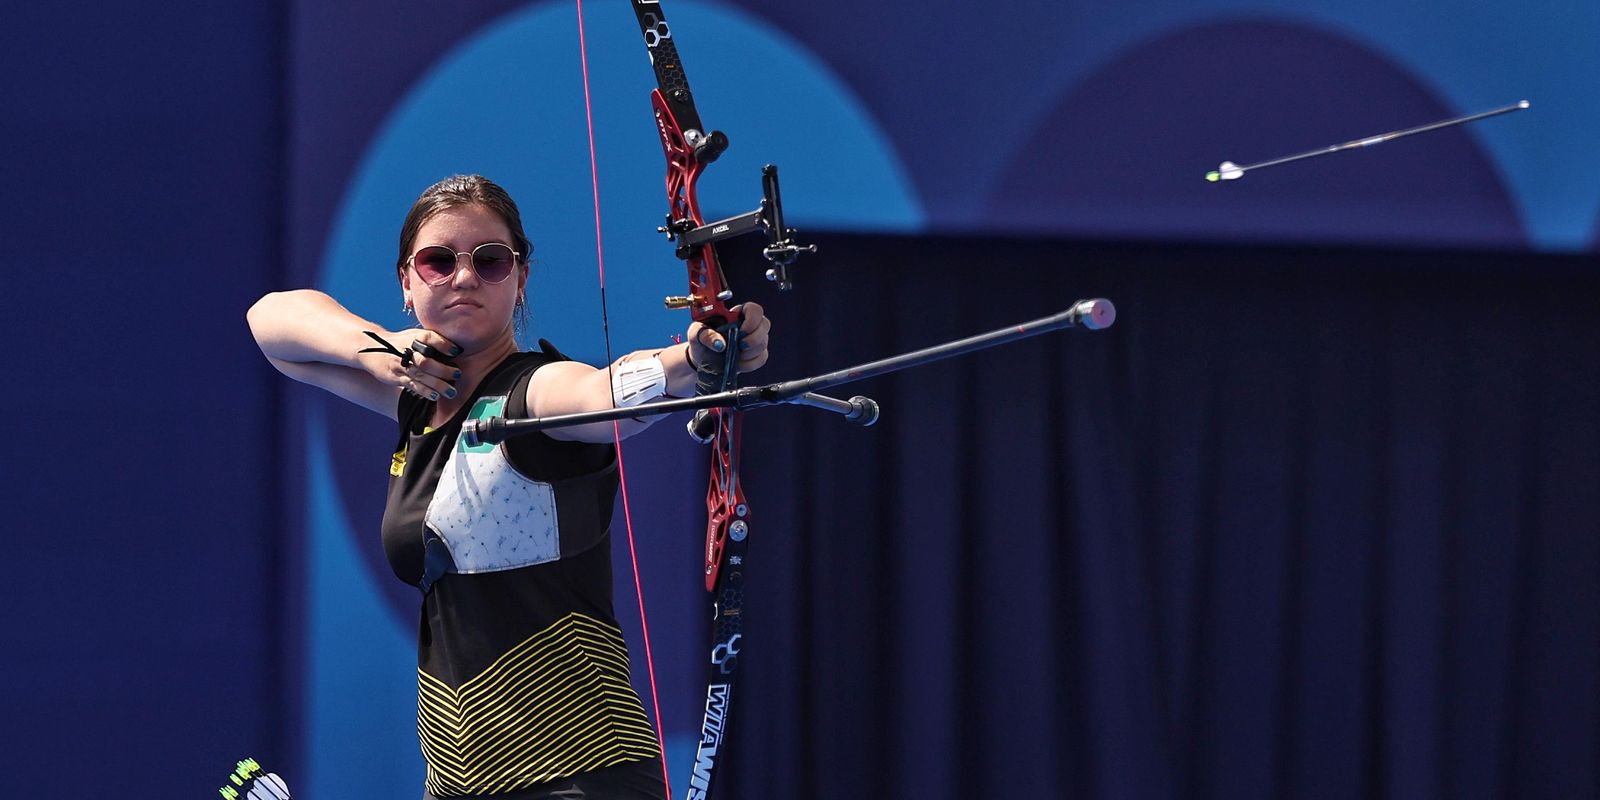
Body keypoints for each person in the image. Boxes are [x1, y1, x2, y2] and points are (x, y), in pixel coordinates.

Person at [247, 174, 770, 799]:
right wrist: (376, 350)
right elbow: (272, 326)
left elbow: (603, 395)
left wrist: (692, 360)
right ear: (407, 283)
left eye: (490, 261)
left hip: (579, 773)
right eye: (438, 261)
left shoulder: (536, 390)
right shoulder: (418, 403)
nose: (464, 277)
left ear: (520, 279)